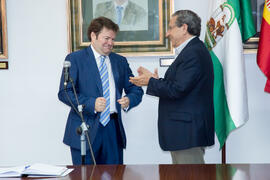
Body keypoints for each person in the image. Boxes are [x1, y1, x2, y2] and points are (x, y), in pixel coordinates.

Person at [130, 10, 214, 164]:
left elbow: (177, 90)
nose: (167, 33)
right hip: (184, 133)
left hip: (186, 133)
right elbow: (181, 86)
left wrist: (151, 82)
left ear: (184, 28)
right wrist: (155, 80)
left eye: (170, 28)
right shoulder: (193, 50)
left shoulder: (193, 53)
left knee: (190, 176)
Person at [58, 16, 143, 165]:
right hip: (85, 127)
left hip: (112, 129)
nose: (110, 43)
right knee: (84, 175)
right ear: (93, 35)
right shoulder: (75, 59)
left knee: (115, 175)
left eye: (113, 39)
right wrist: (91, 104)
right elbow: (65, 92)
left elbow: (135, 89)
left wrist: (129, 99)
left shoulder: (120, 61)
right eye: (106, 38)